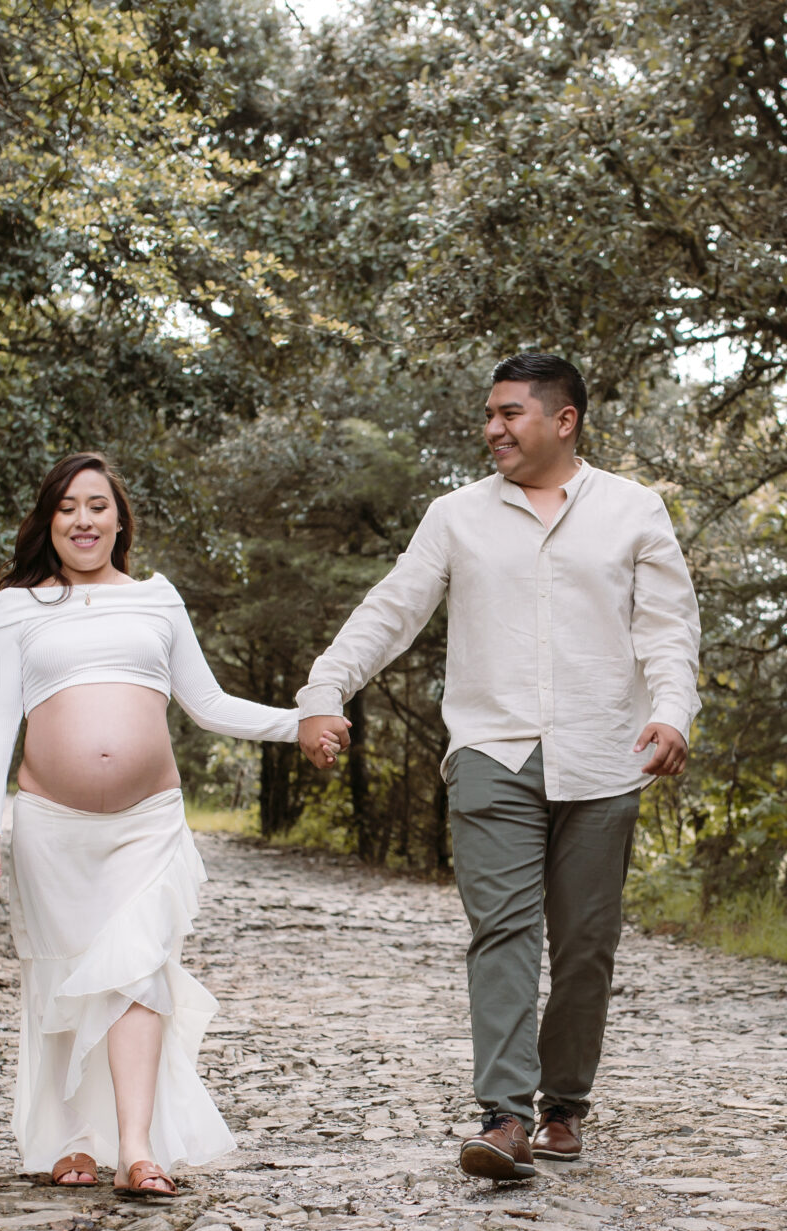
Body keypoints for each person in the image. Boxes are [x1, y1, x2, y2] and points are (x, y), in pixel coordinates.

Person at [296, 353, 701, 1181]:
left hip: (605, 753)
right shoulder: (455, 516)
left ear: (564, 419)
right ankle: (505, 1118)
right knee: (505, 931)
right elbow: (392, 610)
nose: (493, 428)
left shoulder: (633, 510)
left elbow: (668, 626)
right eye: (490, 413)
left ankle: (564, 1105)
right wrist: (324, 688)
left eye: (510, 413)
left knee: (586, 944)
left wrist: (672, 710)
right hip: (492, 751)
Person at [0, 452, 302, 1197]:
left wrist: (298, 722)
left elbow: (208, 705)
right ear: (48, 522)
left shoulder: (157, 599)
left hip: (147, 825)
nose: (82, 520)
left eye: (97, 506)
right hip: (53, 826)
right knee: (63, 974)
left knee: (140, 968)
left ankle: (137, 1148)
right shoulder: (17, 607)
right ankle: (72, 1142)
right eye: (66, 508)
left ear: (120, 520)